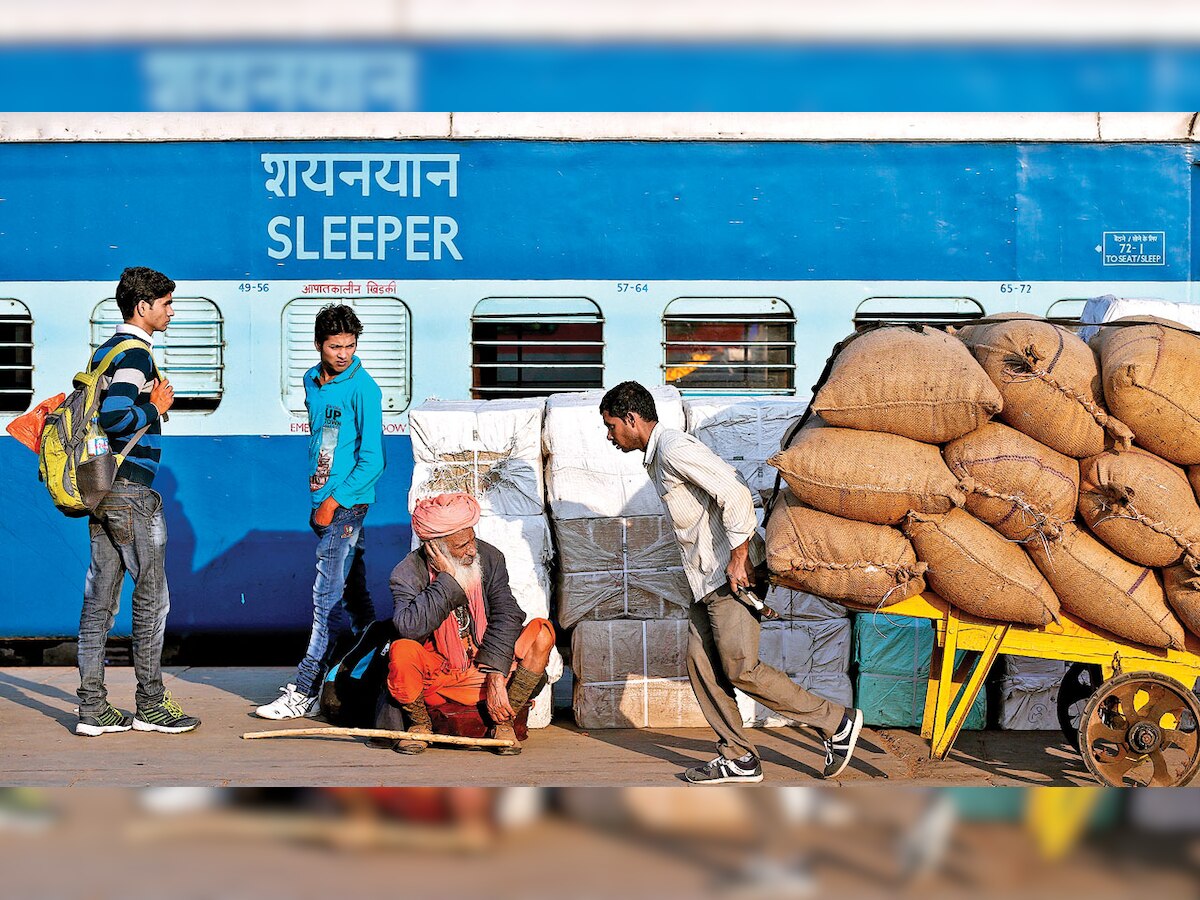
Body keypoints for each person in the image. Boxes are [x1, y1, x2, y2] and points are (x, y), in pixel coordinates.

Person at [599, 381, 863, 783]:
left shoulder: (673, 449)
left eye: (612, 425)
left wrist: (740, 558)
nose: (610, 436)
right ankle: (738, 756)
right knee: (701, 664)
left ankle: (835, 722)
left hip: (730, 577)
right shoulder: (658, 457)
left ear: (632, 419)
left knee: (743, 669)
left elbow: (734, 493)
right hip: (707, 581)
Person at [76, 265, 201, 736]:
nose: (171, 312)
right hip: (130, 490)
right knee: (152, 596)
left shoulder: (104, 351)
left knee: (99, 600)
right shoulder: (135, 353)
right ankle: (151, 704)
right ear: (142, 307)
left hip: (101, 488)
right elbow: (113, 415)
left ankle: (92, 709)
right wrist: (156, 408)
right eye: (166, 304)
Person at [256, 304, 385, 719]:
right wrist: (319, 498)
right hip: (323, 504)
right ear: (318, 345)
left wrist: (334, 502)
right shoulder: (311, 380)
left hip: (347, 507)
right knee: (356, 597)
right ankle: (366, 675)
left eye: (350, 346)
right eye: (335, 346)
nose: (344, 354)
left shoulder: (364, 389)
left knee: (324, 601)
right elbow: (324, 441)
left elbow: (373, 459)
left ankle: (305, 688)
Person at [372, 492, 555, 755]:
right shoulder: (407, 572)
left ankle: (504, 722)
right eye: (461, 546)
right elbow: (408, 627)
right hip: (439, 676)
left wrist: (495, 676)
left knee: (542, 633)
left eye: (471, 539)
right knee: (402, 650)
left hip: (486, 666)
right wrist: (447, 581)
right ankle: (419, 725)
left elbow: (507, 614)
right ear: (434, 548)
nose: (471, 550)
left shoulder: (489, 557)